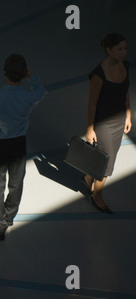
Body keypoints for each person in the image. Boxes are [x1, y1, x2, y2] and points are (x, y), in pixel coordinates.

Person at [0, 54, 47, 240]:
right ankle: (9, 217)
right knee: (16, 182)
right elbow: (41, 91)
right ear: (24, 72)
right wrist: (31, 77)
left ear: (5, 73)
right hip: (19, 143)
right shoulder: (28, 97)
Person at [82, 33, 131, 214]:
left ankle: (88, 177)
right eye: (120, 49)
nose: (124, 52)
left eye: (125, 48)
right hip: (103, 122)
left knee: (108, 156)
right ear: (108, 50)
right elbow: (92, 103)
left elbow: (125, 91)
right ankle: (97, 195)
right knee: (107, 161)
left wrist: (128, 114)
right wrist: (89, 129)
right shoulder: (98, 74)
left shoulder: (126, 66)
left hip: (118, 120)